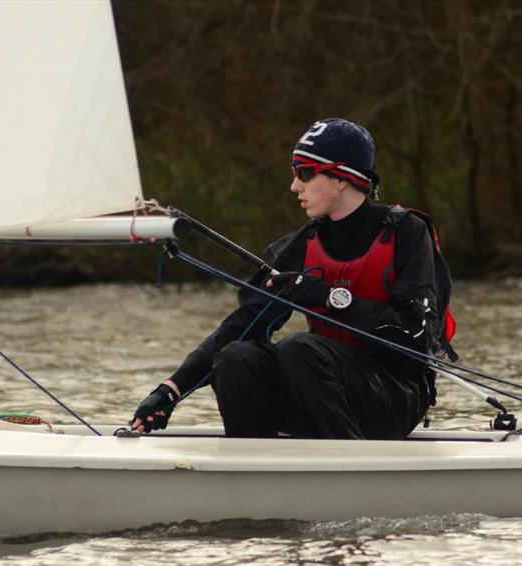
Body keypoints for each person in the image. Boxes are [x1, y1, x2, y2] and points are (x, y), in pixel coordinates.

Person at [130, 117, 447, 440]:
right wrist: (170, 391)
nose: (295, 186)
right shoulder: (299, 247)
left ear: (343, 179)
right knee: (236, 357)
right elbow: (242, 324)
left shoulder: (407, 232)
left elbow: (412, 338)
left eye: (305, 174)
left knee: (299, 349)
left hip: (395, 393)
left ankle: (345, 468)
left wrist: (328, 296)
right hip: (323, 388)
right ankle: (251, 469)